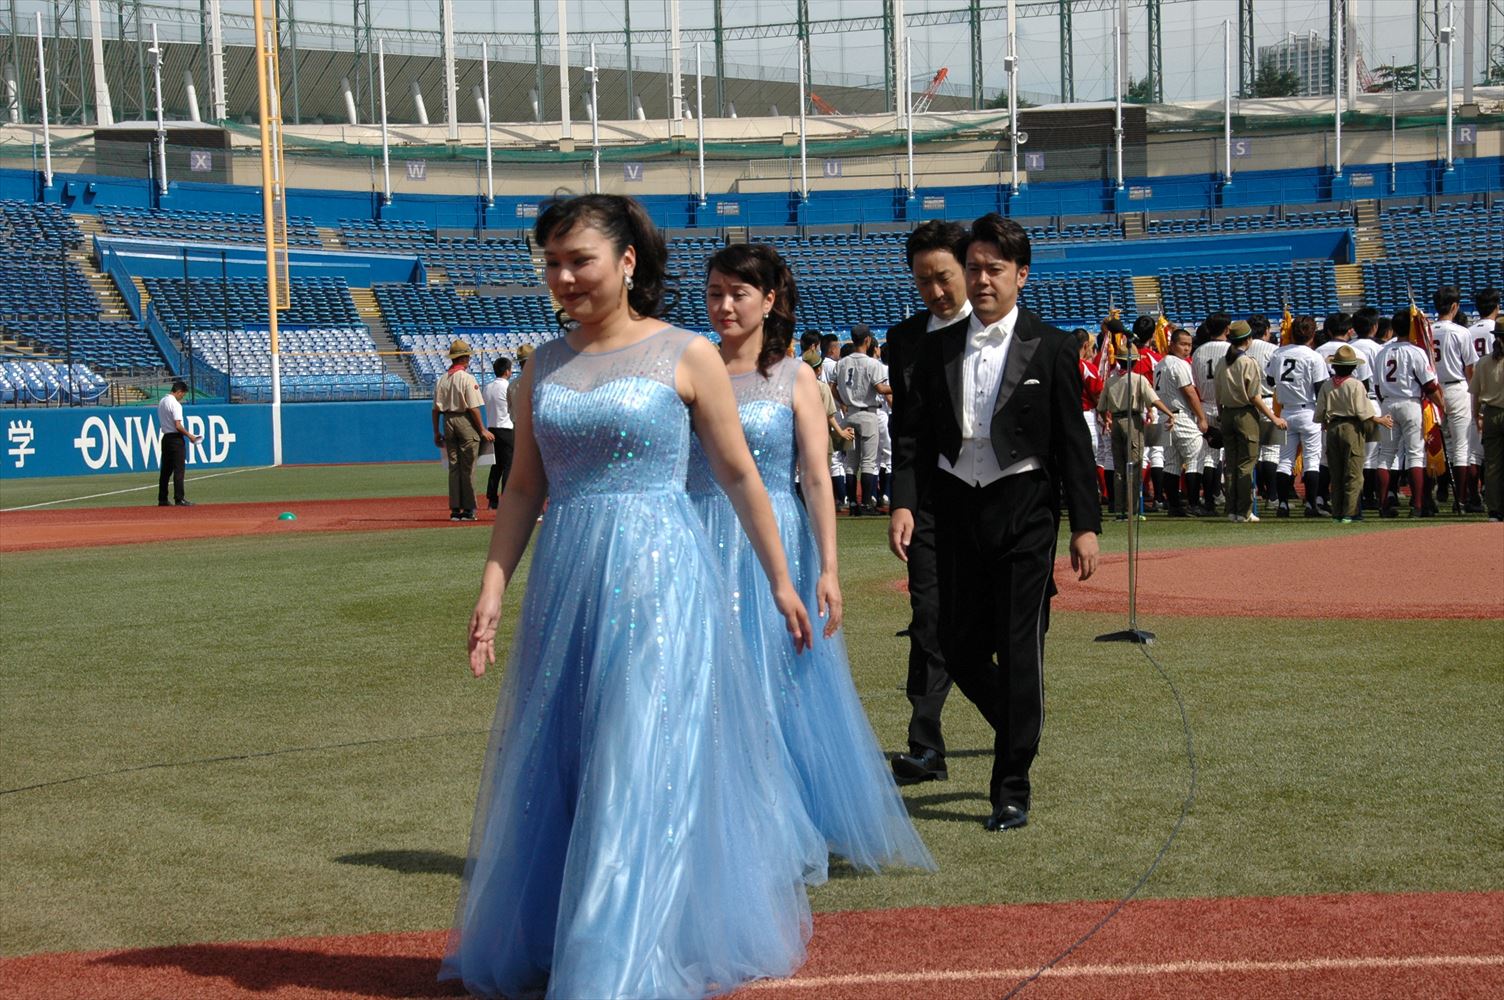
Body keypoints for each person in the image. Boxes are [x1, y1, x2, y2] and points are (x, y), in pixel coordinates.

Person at [444, 194, 824, 1000]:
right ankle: (568, 940)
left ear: (626, 262)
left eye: (578, 259)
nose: (563, 276)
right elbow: (523, 489)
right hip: (567, 582)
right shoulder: (542, 366)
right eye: (551, 262)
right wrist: (492, 587)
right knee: (565, 760)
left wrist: (780, 579)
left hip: (660, 582)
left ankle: (614, 961)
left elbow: (739, 474)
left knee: (636, 755)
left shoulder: (687, 353)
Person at [691, 241, 934, 872]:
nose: (724, 306)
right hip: (701, 537)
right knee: (709, 680)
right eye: (714, 293)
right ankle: (721, 821)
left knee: (781, 679)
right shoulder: (690, 369)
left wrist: (829, 568)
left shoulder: (795, 377)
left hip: (777, 540)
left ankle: (787, 820)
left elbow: (818, 477)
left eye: (738, 293)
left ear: (770, 300)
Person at [890, 213, 1101, 833]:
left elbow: (1073, 444)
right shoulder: (935, 347)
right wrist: (904, 502)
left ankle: (1010, 788)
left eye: (994, 269)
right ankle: (1019, 724)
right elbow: (912, 436)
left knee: (1018, 648)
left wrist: (1085, 525)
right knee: (953, 645)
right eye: (975, 268)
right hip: (955, 508)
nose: (982, 280)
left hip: (1024, 512)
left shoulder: (1052, 346)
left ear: (1021, 275)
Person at [884, 221, 971, 785]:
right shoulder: (905, 339)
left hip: (997, 503)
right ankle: (925, 743)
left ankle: (1014, 727)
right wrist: (903, 502)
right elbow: (906, 431)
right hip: (931, 506)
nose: (935, 291)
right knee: (928, 615)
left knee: (1000, 626)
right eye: (923, 281)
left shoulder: (1002, 333)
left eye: (944, 277)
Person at [1374, 308, 1447, 518]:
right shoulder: (1415, 351)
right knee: (1415, 454)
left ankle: (1383, 505)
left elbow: (1377, 386)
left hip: (1388, 403)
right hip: (1410, 403)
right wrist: (1441, 404)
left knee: (1386, 455)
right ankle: (1417, 505)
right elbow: (1429, 385)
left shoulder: (1382, 352)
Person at [1215, 320, 1287, 522]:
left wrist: (1221, 414)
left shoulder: (1222, 362)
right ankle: (1244, 510)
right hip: (1244, 414)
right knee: (1246, 464)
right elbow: (1254, 396)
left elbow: (1217, 393)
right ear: (1248, 340)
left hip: (1227, 413)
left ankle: (1232, 509)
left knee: (1231, 464)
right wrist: (1274, 418)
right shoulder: (1248, 362)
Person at [1314, 344, 1394, 523]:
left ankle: (1337, 512)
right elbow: (1363, 411)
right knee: (1354, 472)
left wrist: (1326, 422)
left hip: (1332, 428)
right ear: (1353, 367)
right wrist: (1380, 420)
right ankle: (1351, 512)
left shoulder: (1327, 385)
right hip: (1351, 427)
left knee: (1336, 472)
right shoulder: (1356, 385)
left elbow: (1320, 413)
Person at [1098, 344, 1175, 521]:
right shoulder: (1138, 379)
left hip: (1116, 421)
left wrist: (1107, 419)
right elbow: (1153, 400)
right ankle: (1132, 509)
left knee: (1119, 468)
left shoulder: (1110, 381)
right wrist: (1169, 413)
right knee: (1134, 465)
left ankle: (1119, 510)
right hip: (1132, 421)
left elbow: (1101, 407)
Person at [1267, 316, 1329, 517]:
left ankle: (1283, 505)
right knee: (1311, 461)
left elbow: (1269, 380)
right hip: (1308, 410)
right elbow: (1320, 389)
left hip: (1286, 411)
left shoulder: (1278, 353)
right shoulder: (1314, 356)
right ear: (1312, 334)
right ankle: (1311, 505)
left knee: (1285, 460)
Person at [831, 326, 892, 516]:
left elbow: (832, 387)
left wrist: (843, 401)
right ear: (867, 340)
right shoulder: (872, 363)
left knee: (851, 462)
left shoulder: (842, 362)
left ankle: (853, 504)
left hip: (850, 413)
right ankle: (866, 504)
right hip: (867, 413)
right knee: (868, 461)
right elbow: (881, 389)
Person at [431, 339, 493, 522]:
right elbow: (473, 407)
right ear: (464, 358)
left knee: (454, 467)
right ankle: (468, 509)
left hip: (447, 420)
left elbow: (435, 410)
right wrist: (482, 429)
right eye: (468, 357)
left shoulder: (442, 379)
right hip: (464, 420)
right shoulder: (467, 378)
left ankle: (455, 509)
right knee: (468, 467)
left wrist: (436, 432)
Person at [1154, 327, 1211, 516]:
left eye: (1189, 345)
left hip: (1165, 416)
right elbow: (1189, 392)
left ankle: (1174, 506)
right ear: (1172, 345)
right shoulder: (1179, 364)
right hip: (1180, 416)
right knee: (1196, 458)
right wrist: (1201, 418)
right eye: (1182, 344)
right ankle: (1193, 504)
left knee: (1171, 463)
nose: (1187, 348)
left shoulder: (1160, 364)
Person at [1431, 286, 1479, 512]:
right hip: (1457, 386)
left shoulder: (1426, 331)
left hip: (1433, 390)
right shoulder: (1461, 332)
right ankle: (1461, 499)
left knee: (1437, 445)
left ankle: (1436, 492)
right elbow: (1470, 368)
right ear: (1454, 306)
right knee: (1461, 446)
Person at [1190, 313, 1233, 514]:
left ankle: (1210, 499)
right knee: (1229, 456)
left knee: (1208, 457)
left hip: (1204, 405)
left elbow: (1195, 381)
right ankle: (1228, 498)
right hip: (1225, 405)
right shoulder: (1230, 349)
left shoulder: (1198, 351)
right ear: (1227, 329)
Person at [1466, 288, 1499, 512]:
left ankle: (1476, 495)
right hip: (1495, 388)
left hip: (1475, 390)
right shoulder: (1495, 328)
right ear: (1496, 306)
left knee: (1475, 451)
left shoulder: (1468, 330)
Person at [1470, 322, 1504, 521]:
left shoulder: (1483, 362)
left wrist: (1476, 416)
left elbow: (1475, 394)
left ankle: (1494, 509)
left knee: (1492, 464)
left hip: (1491, 414)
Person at [156, 379, 201, 507]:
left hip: (166, 438)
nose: (182, 397)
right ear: (179, 392)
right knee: (179, 470)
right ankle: (179, 498)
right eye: (183, 394)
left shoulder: (162, 401)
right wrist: (190, 436)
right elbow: (178, 425)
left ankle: (162, 498)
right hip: (176, 439)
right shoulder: (175, 404)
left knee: (165, 470)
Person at [482, 356, 515, 510]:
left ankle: (492, 499)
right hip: (506, 428)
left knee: (496, 465)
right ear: (507, 371)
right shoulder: (508, 387)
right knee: (509, 465)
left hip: (492, 428)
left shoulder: (487, 387)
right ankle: (507, 498)